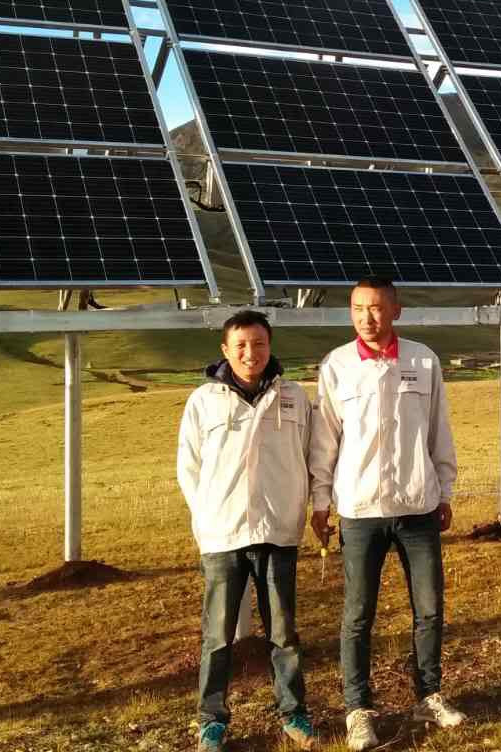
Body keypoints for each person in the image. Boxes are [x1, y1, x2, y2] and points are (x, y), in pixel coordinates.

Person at [310, 278, 466, 751]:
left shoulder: (423, 360)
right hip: (360, 510)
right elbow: (324, 441)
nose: (367, 317)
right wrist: (321, 502)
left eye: (376, 308)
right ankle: (358, 710)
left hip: (418, 507)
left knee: (429, 609)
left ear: (396, 310)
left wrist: (444, 490)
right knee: (358, 615)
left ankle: (429, 696)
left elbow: (438, 430)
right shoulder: (336, 365)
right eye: (358, 308)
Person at [177, 309, 316, 751]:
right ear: (225, 350)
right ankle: (211, 720)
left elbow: (309, 456)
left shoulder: (294, 397)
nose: (250, 353)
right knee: (217, 636)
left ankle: (293, 713)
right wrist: (206, 517)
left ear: (270, 346)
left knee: (284, 633)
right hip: (223, 534)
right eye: (240, 345)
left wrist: (298, 507)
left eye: (258, 344)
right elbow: (188, 466)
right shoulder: (203, 401)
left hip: (278, 531)